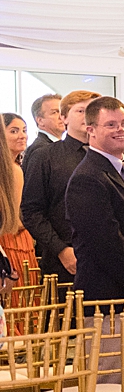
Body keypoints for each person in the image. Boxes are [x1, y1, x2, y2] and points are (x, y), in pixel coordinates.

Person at [66, 97, 124, 302]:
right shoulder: (87, 178)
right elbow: (107, 244)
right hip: (107, 298)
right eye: (111, 125)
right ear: (90, 130)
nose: (121, 130)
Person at [20, 88, 102, 284]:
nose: (88, 116)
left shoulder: (117, 156)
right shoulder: (45, 156)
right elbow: (31, 211)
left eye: (93, 111)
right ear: (64, 117)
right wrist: (61, 250)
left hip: (110, 259)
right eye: (81, 111)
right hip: (64, 261)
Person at [0, 114, 36, 284]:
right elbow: (13, 220)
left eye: (24, 130)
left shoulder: (15, 168)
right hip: (12, 241)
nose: (22, 135)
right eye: (14, 131)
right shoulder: (13, 171)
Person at [23, 93, 62, 166]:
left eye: (62, 111)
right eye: (54, 112)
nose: (61, 116)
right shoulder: (41, 150)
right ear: (40, 120)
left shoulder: (57, 147)